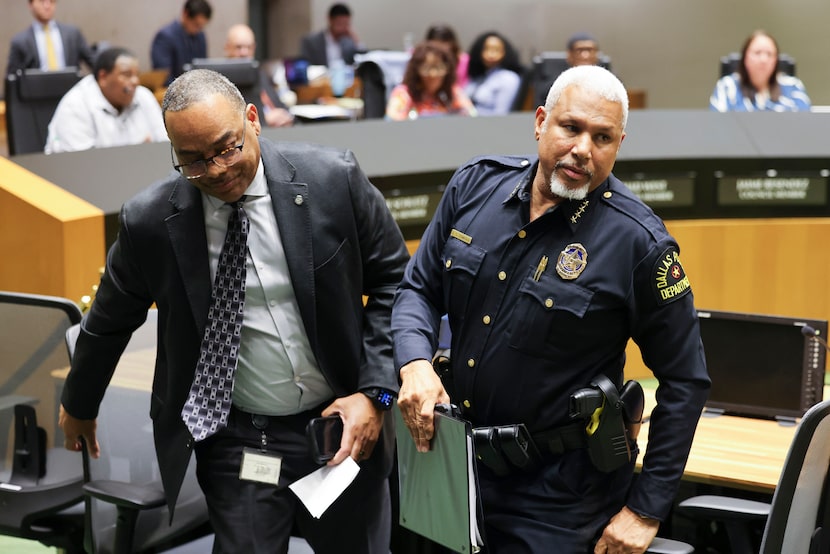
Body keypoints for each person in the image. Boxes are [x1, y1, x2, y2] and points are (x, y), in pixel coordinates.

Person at [58, 68, 409, 552]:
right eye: (194, 161)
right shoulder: (150, 221)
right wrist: (79, 404)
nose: (218, 170)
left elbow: (396, 284)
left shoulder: (333, 181)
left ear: (253, 120)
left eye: (228, 148)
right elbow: (109, 320)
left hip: (343, 429)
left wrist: (375, 396)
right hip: (242, 440)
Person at [392, 65, 710, 553]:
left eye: (602, 137)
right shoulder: (475, 187)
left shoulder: (639, 244)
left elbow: (685, 380)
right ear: (540, 121)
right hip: (451, 465)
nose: (583, 148)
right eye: (571, 128)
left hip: (557, 500)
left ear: (618, 144)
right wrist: (414, 362)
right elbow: (418, 289)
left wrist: (646, 510)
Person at [44, 46, 167, 154]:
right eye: (127, 74)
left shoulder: (143, 96)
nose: (135, 81)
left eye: (136, 75)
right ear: (103, 77)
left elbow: (165, 144)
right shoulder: (75, 105)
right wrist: (137, 154)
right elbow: (80, 163)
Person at [709, 30, 811, 112]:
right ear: (745, 58)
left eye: (769, 54)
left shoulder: (793, 87)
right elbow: (716, 128)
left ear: (776, 61)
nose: (763, 60)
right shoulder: (727, 87)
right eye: (757, 53)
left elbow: (806, 128)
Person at [224, 23, 294, 128]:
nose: (244, 52)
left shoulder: (259, 73)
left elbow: (279, 105)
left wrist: (287, 117)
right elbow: (228, 120)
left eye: (249, 47)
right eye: (239, 47)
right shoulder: (222, 81)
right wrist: (264, 120)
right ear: (227, 48)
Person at [385, 41, 476, 121]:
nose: (433, 74)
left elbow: (472, 116)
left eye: (439, 68)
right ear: (416, 70)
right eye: (427, 68)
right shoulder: (404, 93)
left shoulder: (453, 93)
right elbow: (393, 122)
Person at [6, 0, 94, 75]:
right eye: (42, 1)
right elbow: (12, 79)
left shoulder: (73, 34)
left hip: (70, 91)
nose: (47, 5)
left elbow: (93, 62)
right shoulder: (20, 41)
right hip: (36, 92)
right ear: (30, 4)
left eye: (51, 1)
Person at [151, 0, 212, 86]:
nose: (198, 30)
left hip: (196, 90)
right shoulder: (165, 36)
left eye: (201, 26)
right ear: (185, 13)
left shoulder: (200, 36)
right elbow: (163, 75)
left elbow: (203, 67)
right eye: (196, 24)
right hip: (173, 90)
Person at [465, 31, 523, 116]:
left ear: (505, 52)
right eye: (486, 49)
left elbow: (501, 113)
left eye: (496, 50)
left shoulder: (509, 78)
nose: (491, 54)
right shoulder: (478, 77)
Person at [299, 3, 364, 66]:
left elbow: (362, 60)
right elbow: (306, 65)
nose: (343, 28)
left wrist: (356, 41)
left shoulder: (348, 41)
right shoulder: (311, 41)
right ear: (330, 19)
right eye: (340, 23)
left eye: (346, 24)